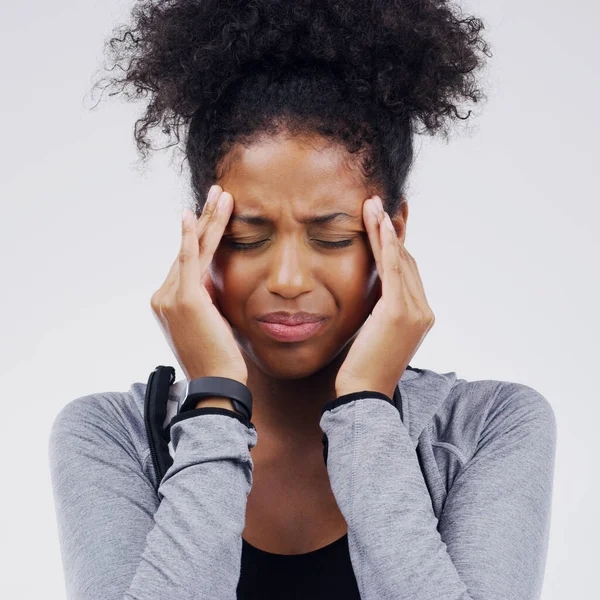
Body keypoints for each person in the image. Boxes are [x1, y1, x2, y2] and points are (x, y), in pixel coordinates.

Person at [48, 1, 557, 599]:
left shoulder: (489, 430)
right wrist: (214, 404)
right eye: (247, 237)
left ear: (393, 233)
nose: (288, 277)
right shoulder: (110, 437)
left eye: (332, 237)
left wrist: (366, 407)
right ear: (199, 241)